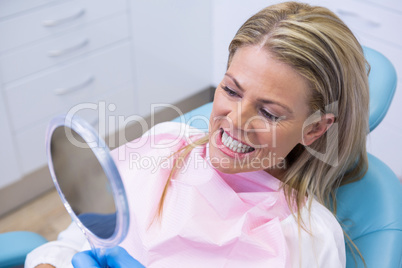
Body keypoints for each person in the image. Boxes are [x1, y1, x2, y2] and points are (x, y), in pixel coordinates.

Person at [26, 1, 369, 267]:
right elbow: (75, 239)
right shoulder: (160, 146)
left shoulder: (306, 238)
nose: (235, 120)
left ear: (315, 128)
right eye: (231, 91)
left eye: (268, 113)